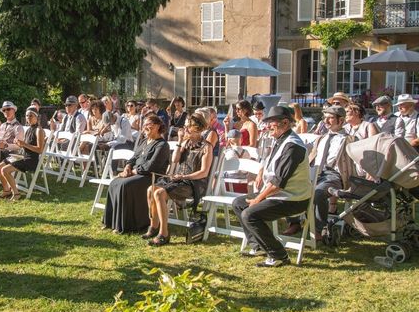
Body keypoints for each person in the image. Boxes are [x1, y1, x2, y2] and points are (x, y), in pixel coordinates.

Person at [232, 106, 312, 267]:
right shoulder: (280, 140)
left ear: (285, 122)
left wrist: (258, 199)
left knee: (250, 214)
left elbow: (278, 183)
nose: (267, 126)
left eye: (271, 123)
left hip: (293, 198)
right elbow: (270, 165)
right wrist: (261, 171)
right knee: (239, 204)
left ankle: (278, 255)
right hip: (278, 194)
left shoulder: (293, 146)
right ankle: (259, 246)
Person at [283, 106, 354, 238]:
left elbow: (355, 162)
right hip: (316, 172)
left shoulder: (349, 139)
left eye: (330, 118)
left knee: (318, 193)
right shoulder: (321, 138)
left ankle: (318, 228)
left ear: (341, 120)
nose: (326, 121)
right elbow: (310, 155)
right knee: (290, 186)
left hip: (334, 175)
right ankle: (294, 222)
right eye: (324, 118)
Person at [145, 113, 213, 246]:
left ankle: (164, 233)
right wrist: (180, 141)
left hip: (193, 183)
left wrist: (184, 177)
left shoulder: (206, 147)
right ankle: (153, 226)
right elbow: (175, 159)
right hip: (180, 179)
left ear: (197, 129)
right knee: (150, 189)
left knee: (159, 193)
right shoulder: (186, 143)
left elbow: (204, 173)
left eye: (187, 127)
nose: (184, 130)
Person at [102, 114, 170, 234]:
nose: (145, 127)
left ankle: (128, 225)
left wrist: (132, 172)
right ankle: (111, 222)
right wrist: (128, 167)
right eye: (144, 125)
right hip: (138, 173)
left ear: (158, 126)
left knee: (125, 185)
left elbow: (152, 166)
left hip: (151, 177)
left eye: (149, 124)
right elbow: (134, 158)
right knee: (115, 182)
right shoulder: (144, 141)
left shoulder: (162, 145)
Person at [0, 108, 46, 200]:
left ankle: (16, 193)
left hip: (30, 160)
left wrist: (23, 144)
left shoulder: (39, 130)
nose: (28, 118)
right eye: (27, 116)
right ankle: (7, 190)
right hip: (23, 156)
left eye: (31, 116)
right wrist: (19, 144)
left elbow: (40, 150)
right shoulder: (29, 129)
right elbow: (25, 146)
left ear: (37, 117)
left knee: (5, 170)